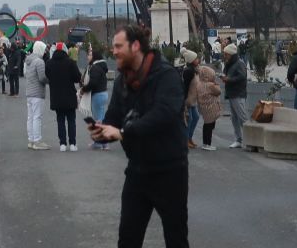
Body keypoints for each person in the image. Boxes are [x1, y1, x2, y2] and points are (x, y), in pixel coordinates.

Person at [87, 25, 189, 248]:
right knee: (128, 238)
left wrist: (123, 132)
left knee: (176, 238)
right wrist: (102, 132)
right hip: (138, 169)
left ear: (135, 46)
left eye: (118, 46)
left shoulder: (166, 75)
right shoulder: (124, 80)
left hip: (169, 171)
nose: (113, 51)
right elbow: (114, 117)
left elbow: (164, 114)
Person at [45, 42, 82, 151]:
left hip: (56, 96)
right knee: (71, 120)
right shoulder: (70, 63)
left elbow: (48, 76)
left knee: (60, 120)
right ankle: (72, 144)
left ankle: (62, 144)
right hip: (69, 95)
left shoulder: (49, 63)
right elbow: (77, 77)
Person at [189, 53, 224, 151]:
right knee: (209, 126)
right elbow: (218, 91)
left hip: (204, 108)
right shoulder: (210, 85)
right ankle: (207, 144)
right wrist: (216, 84)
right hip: (211, 108)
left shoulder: (200, 84)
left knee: (207, 125)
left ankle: (206, 143)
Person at [23, 39, 50, 149]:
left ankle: (31, 140)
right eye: (43, 50)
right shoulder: (39, 62)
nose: (44, 52)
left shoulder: (28, 61)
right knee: (37, 117)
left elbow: (25, 74)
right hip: (37, 93)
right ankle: (37, 141)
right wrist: (50, 80)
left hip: (29, 92)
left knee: (30, 117)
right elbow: (42, 78)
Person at [221, 43, 248, 148]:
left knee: (242, 117)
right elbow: (228, 73)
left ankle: (249, 138)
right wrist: (225, 76)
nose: (225, 56)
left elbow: (242, 77)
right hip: (232, 93)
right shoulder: (230, 63)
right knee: (234, 118)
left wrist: (229, 79)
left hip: (238, 93)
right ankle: (238, 139)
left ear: (231, 54)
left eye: (226, 54)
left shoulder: (239, 63)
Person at [87, 44, 112, 150]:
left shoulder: (95, 68)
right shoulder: (102, 66)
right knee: (101, 118)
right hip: (104, 93)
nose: (88, 56)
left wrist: (84, 89)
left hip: (97, 94)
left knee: (97, 120)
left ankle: (100, 142)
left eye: (89, 55)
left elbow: (93, 83)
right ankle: (103, 143)